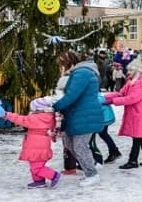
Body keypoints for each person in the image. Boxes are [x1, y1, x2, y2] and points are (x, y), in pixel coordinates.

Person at [52, 51, 105, 187]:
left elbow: (71, 96)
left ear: (69, 63)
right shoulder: (79, 73)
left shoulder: (82, 73)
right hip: (78, 114)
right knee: (70, 144)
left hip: (85, 114)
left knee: (80, 146)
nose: (61, 69)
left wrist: (54, 106)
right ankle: (91, 165)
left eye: (62, 65)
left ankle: (92, 174)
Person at [105, 58, 142, 169]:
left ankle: (133, 160)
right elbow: (121, 93)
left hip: (140, 113)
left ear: (138, 70)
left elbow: (133, 98)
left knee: (137, 137)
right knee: (139, 136)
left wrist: (113, 101)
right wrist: (106, 97)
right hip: (134, 112)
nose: (129, 72)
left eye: (132, 70)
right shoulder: (131, 81)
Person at [0, 98, 61, 189]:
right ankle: (39, 181)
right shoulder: (50, 117)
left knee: (36, 167)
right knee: (36, 165)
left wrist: (6, 115)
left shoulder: (35, 118)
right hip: (43, 144)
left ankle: (54, 175)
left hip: (35, 145)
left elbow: (21, 119)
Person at [89, 93, 122, 165]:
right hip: (102, 117)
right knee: (103, 134)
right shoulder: (92, 92)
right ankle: (114, 151)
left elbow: (99, 100)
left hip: (103, 118)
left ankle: (97, 158)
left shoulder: (92, 94)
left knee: (92, 137)